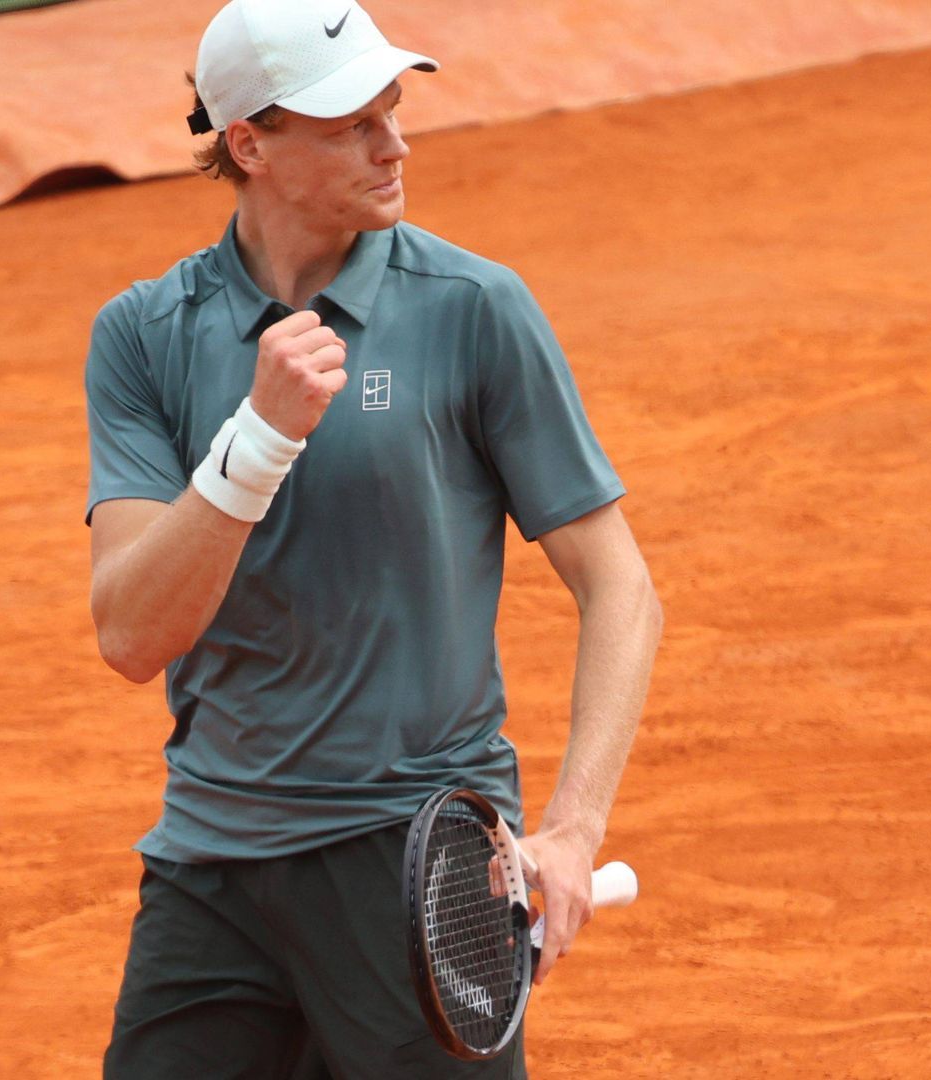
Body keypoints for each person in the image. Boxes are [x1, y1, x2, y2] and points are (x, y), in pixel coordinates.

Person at [84, 1, 662, 1075]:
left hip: (418, 866)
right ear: (249, 144)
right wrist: (254, 443)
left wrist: (576, 828)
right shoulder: (142, 337)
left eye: (392, 110)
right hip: (210, 871)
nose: (395, 144)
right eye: (353, 122)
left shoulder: (474, 309)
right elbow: (130, 633)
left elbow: (620, 586)